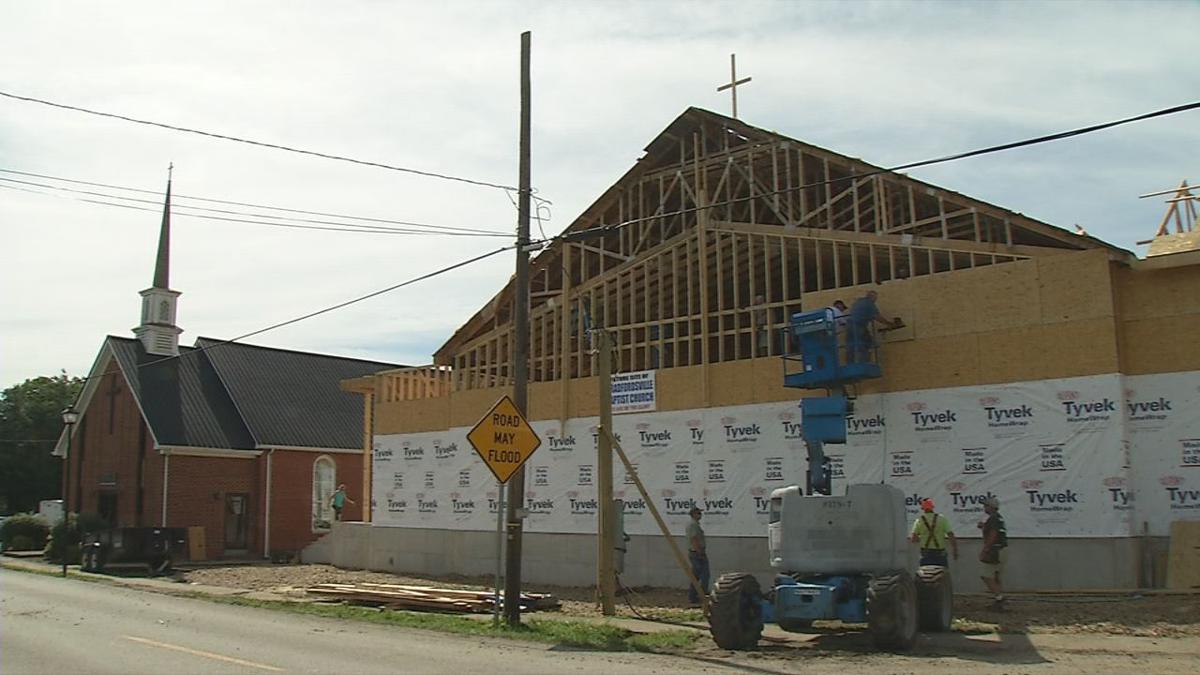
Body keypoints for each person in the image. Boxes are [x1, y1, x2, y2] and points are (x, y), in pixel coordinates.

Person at [847, 290, 899, 362]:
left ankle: (850, 363)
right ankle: (864, 362)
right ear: (872, 297)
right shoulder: (869, 304)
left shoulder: (858, 302)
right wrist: (889, 324)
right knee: (867, 342)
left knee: (851, 346)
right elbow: (877, 317)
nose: (875, 300)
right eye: (875, 298)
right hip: (858, 326)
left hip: (849, 326)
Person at [978, 496, 1008, 609]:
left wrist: (985, 550)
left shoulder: (993, 518)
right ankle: (999, 601)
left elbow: (993, 534)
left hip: (995, 549)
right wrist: (984, 526)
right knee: (996, 576)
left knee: (985, 575)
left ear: (991, 507)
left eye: (986, 505)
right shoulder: (998, 518)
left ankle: (999, 598)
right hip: (1002, 549)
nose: (984, 507)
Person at [910, 498, 958, 566]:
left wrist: (922, 537)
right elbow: (951, 535)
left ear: (923, 508)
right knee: (943, 573)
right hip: (940, 553)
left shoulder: (919, 521)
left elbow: (913, 539)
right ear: (932, 507)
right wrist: (955, 550)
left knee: (924, 574)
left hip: (925, 554)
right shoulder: (942, 519)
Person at [685, 505, 709, 606]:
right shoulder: (693, 525)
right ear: (693, 514)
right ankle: (700, 595)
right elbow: (694, 539)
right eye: (698, 513)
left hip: (696, 552)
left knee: (696, 575)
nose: (700, 515)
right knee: (704, 575)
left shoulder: (694, 524)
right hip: (697, 553)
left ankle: (694, 596)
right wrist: (700, 552)